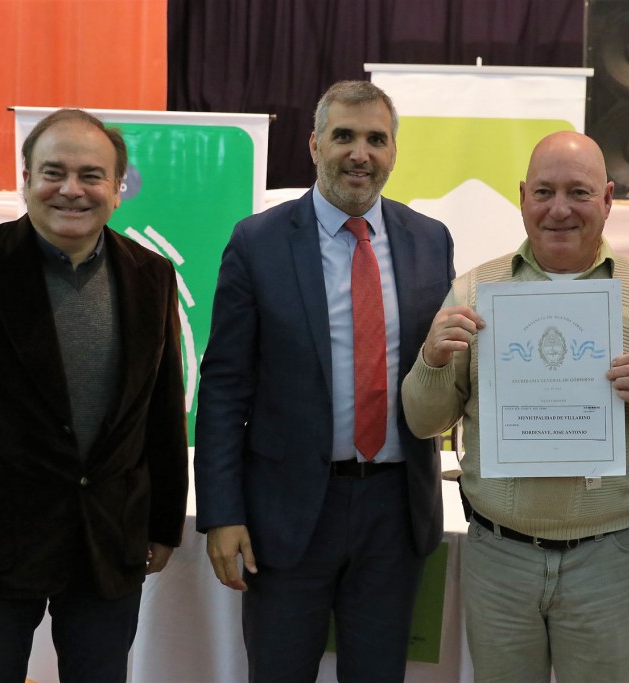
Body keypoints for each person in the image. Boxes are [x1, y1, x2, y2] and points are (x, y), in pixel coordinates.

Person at [400, 130, 629, 682]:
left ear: (608, 199)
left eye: (579, 192)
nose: (559, 209)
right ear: (523, 197)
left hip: (606, 562)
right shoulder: (474, 292)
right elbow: (424, 421)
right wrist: (431, 359)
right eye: (544, 192)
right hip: (499, 559)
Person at [0, 108, 189, 683]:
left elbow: (162, 411)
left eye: (91, 175)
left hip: (108, 545)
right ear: (26, 179)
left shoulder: (152, 274)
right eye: (53, 172)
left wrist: (164, 524)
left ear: (118, 187)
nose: (71, 189)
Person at [194, 80, 455, 683]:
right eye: (344, 136)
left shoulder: (429, 241)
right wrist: (222, 513)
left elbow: (442, 369)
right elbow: (224, 387)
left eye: (376, 140)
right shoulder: (257, 243)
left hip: (396, 514)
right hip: (285, 517)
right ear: (314, 145)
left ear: (394, 152)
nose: (360, 153)